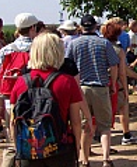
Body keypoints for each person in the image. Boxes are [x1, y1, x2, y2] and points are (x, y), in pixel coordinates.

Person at [9, 32, 84, 167]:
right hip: (60, 148)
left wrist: (18, 150)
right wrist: (78, 149)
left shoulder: (21, 82)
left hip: (29, 150)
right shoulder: (67, 81)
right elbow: (76, 122)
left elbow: (13, 122)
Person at [66, 15, 119, 167]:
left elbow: (68, 65)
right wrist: (113, 84)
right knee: (104, 125)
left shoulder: (74, 44)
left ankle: (84, 159)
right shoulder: (104, 43)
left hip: (80, 88)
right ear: (95, 27)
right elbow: (114, 64)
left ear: (81, 27)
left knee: (85, 125)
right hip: (100, 87)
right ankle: (106, 158)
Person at [0, 13, 40, 142]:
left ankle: (15, 151)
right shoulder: (37, 49)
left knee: (12, 126)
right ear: (32, 28)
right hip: (34, 95)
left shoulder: (6, 49)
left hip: (11, 96)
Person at [102, 18, 137, 146]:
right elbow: (123, 71)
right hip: (116, 83)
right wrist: (136, 80)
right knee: (123, 107)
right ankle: (126, 135)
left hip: (102, 83)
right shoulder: (118, 49)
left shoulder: (101, 46)